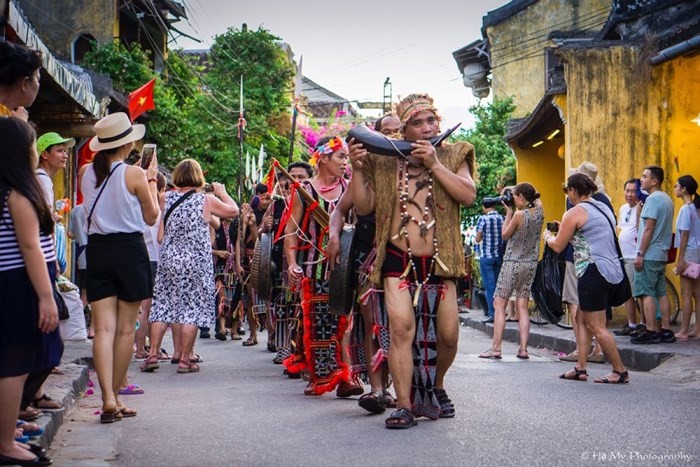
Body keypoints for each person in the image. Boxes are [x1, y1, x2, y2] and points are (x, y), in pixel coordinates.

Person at [350, 93, 476, 428]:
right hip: (396, 260)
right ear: (403, 130)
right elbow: (364, 208)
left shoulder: (455, 152)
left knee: (448, 335)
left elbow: (468, 194)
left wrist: (434, 164)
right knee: (402, 329)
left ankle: (437, 386)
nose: (424, 129)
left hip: (441, 262)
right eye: (416, 124)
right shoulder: (386, 159)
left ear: (439, 122)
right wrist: (356, 168)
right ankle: (404, 405)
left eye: (430, 121)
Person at [79, 112, 160, 423]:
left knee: (102, 330)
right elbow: (152, 218)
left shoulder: (87, 172)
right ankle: (114, 395)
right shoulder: (135, 175)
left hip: (98, 251)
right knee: (126, 329)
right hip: (129, 251)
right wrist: (151, 180)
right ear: (128, 143)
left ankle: (108, 399)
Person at [0, 117, 60, 465]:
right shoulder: (19, 194)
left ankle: (6, 433)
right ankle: (5, 443)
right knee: (16, 362)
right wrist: (45, 296)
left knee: (18, 359)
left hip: (12, 281)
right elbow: (30, 247)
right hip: (20, 282)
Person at [283, 136, 361, 397]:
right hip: (314, 268)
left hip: (345, 268)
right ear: (323, 159)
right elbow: (291, 230)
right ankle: (319, 376)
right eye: (341, 157)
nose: (345, 163)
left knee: (344, 323)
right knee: (316, 324)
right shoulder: (304, 190)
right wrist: (292, 263)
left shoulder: (349, 187)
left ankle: (346, 376)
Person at [145, 159, 238, 374]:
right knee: (192, 309)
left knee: (162, 306)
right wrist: (222, 192)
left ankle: (152, 355)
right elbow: (233, 211)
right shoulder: (205, 200)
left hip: (169, 260)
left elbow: (160, 237)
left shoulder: (165, 198)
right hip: (196, 262)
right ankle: (186, 360)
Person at [543, 172, 629, 384]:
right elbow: (590, 237)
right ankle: (580, 368)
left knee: (596, 325)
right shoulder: (602, 208)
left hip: (593, 271)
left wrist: (547, 237)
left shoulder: (574, 212)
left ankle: (620, 371)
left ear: (573, 190)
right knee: (581, 318)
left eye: (567, 190)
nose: (567, 195)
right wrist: (565, 229)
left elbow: (557, 246)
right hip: (611, 269)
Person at [479, 183, 543, 360]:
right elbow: (537, 200)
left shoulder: (518, 215)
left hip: (512, 263)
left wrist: (508, 212)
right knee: (522, 306)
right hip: (530, 264)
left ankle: (496, 348)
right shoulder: (539, 213)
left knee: (499, 304)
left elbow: (505, 235)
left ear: (521, 197)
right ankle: (523, 349)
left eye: (514, 196)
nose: (512, 199)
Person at [558, 162, 612, 363]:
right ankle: (597, 351)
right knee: (600, 307)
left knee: (575, 304)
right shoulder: (604, 201)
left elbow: (565, 237)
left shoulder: (575, 203)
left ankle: (581, 351)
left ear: (574, 188)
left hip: (579, 259)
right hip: (605, 261)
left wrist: (550, 237)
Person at [631, 166, 675, 344]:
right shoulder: (666, 199)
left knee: (646, 292)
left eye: (644, 176)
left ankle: (650, 330)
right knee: (661, 292)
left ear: (654, 181)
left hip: (649, 253)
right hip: (661, 253)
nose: (641, 179)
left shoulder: (653, 199)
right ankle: (665, 329)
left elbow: (649, 227)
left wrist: (640, 253)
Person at [672, 175, 700, 340]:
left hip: (688, 252)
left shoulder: (685, 209)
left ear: (684, 189)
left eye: (677, 186)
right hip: (698, 251)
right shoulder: (697, 208)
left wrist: (680, 259)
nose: (675, 188)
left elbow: (684, 235)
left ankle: (683, 330)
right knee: (697, 293)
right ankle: (697, 329)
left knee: (686, 293)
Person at [613, 179, 642, 336]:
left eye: (633, 191)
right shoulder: (623, 208)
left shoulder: (642, 208)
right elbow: (621, 230)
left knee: (638, 294)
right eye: (627, 191)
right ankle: (632, 323)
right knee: (627, 293)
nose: (629, 194)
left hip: (634, 256)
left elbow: (642, 230)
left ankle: (644, 323)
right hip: (624, 256)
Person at [475, 202, 504, 323]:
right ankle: (501, 312)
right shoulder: (502, 218)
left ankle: (493, 314)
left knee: (489, 286)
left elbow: (477, 238)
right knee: (498, 286)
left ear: (484, 206)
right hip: (499, 256)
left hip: (487, 256)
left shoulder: (483, 219)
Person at [0, 42, 41, 121]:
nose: (38, 85)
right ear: (24, 83)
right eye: (38, 79)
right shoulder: (10, 124)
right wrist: (20, 126)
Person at [35, 132, 75, 208]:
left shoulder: (40, 177)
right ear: (45, 155)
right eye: (60, 151)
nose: (65, 156)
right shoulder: (43, 180)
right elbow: (44, 217)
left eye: (64, 151)